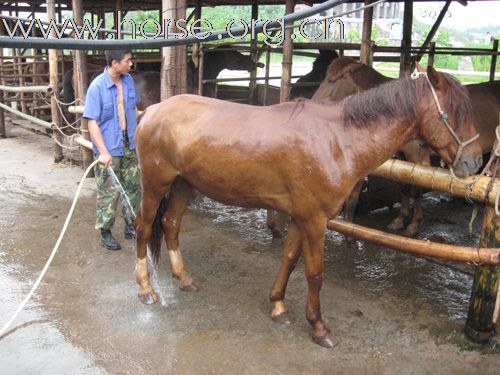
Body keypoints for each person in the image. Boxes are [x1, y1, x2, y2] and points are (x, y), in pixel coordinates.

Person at [83, 50, 142, 251]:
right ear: (115, 63)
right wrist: (103, 151)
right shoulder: (97, 87)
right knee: (109, 192)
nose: (131, 64)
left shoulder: (129, 81)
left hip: (129, 145)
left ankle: (130, 224)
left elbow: (134, 109)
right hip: (109, 148)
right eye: (128, 61)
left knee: (132, 188)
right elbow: (92, 123)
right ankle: (105, 232)